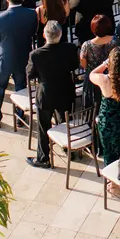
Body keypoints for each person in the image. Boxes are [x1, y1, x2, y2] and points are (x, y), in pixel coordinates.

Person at [26, 20, 80, 169]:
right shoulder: (70, 48)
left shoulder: (36, 55)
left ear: (44, 35)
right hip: (65, 90)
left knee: (44, 127)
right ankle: (67, 147)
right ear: (60, 34)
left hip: (46, 95)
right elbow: (75, 65)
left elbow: (29, 74)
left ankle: (43, 158)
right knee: (64, 120)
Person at [0, 0, 37, 129]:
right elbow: (32, 32)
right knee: (21, 87)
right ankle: (20, 116)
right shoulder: (32, 14)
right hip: (23, 58)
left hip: (4, 60)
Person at [79, 14, 116, 105]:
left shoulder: (86, 45)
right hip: (111, 78)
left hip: (93, 80)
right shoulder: (116, 41)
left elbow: (83, 64)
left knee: (92, 108)